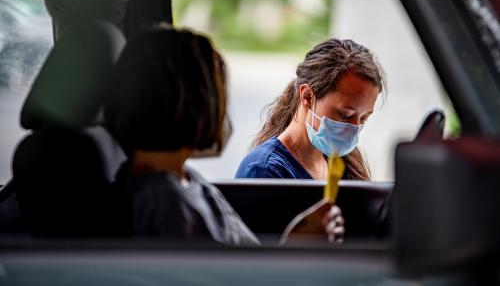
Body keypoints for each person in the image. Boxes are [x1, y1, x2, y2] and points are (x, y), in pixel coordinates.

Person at [104, 23, 344, 245]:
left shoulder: (185, 181)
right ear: (195, 106)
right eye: (217, 96)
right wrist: (293, 251)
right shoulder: (161, 205)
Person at [235, 38, 385, 181]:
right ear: (307, 97)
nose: (353, 129)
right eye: (345, 115)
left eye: (364, 118)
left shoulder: (344, 165)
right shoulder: (263, 172)